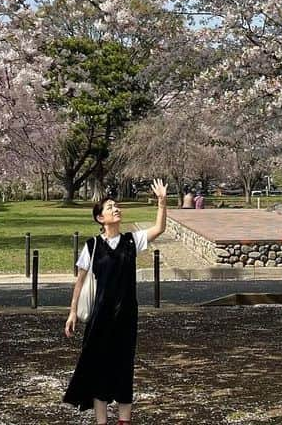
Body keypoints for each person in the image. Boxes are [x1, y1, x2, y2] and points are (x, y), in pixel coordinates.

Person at [64, 178, 168, 423]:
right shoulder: (91, 246)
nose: (115, 209)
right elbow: (79, 282)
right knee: (99, 368)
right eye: (110, 207)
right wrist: (71, 313)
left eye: (116, 206)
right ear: (100, 218)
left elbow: (158, 229)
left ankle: (124, 420)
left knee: (123, 367)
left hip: (126, 316)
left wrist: (162, 203)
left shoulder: (132, 241)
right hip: (100, 317)